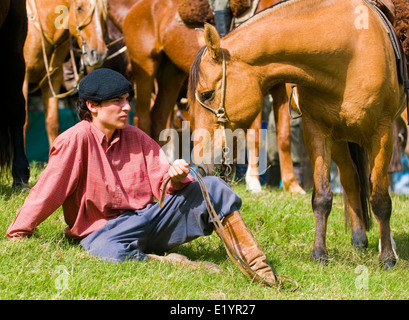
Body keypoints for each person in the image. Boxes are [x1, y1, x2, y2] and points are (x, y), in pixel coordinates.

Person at [6, 68, 277, 286]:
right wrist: (20, 231)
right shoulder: (75, 140)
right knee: (104, 248)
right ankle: (167, 261)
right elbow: (48, 189)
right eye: (117, 101)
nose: (126, 107)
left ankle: (257, 267)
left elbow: (164, 182)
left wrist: (176, 176)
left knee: (214, 186)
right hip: (105, 232)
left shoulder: (136, 136)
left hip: (149, 219)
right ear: (93, 106)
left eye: (127, 100)